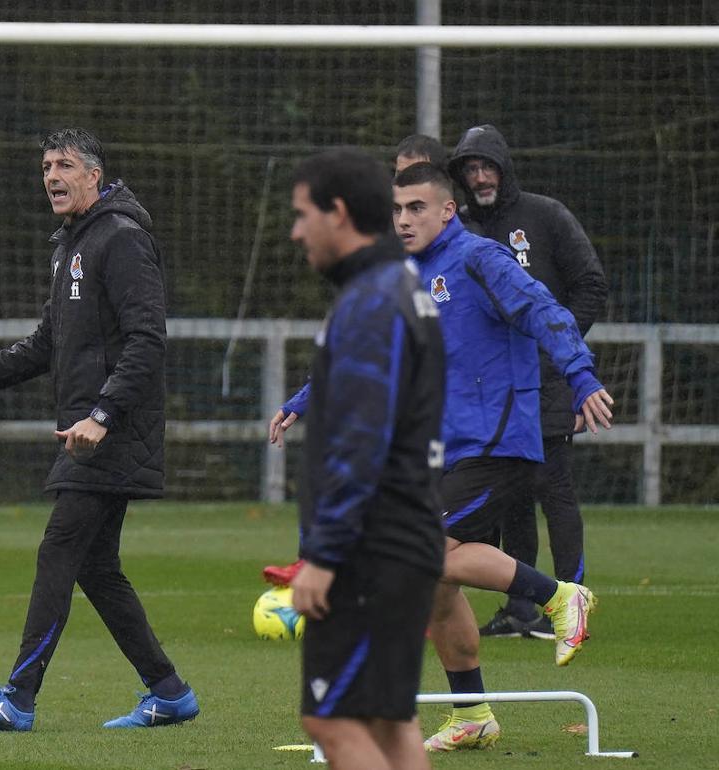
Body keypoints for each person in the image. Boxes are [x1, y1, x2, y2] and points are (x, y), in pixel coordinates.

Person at [0, 128, 197, 732]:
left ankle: (18, 696)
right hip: (89, 429)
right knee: (96, 568)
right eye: (45, 165)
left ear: (95, 176)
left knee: (60, 551)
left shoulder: (121, 238)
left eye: (65, 164)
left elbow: (148, 338)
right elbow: (49, 342)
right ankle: (168, 690)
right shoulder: (71, 243)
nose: (52, 175)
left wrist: (101, 415)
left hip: (110, 429)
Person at [391, 161, 613, 751]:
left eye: (417, 208)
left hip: (501, 441)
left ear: (447, 210)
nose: (403, 219)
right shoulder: (410, 274)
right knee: (436, 580)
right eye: (396, 209)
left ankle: (562, 596)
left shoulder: (482, 259)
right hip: (449, 449)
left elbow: (547, 310)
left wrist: (582, 376)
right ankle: (472, 714)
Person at [286, 148, 445, 770]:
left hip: (372, 547)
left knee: (332, 717)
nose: (297, 231)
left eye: (303, 214)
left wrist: (324, 555)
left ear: (339, 213)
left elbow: (362, 438)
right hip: (404, 535)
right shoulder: (395, 287)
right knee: (388, 721)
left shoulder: (373, 301)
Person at [262, 132, 452, 587]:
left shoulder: (397, 284)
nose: (296, 231)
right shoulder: (379, 281)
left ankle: (548, 595)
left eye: (305, 216)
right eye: (397, 174)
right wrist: (303, 401)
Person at [449, 124, 609, 640]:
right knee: (509, 495)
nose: (479, 177)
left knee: (552, 488)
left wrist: (552, 352)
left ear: (504, 167)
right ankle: (521, 608)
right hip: (491, 394)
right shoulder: (462, 230)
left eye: (486, 166)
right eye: (470, 169)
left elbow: (591, 285)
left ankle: (573, 597)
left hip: (550, 384)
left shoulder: (545, 215)